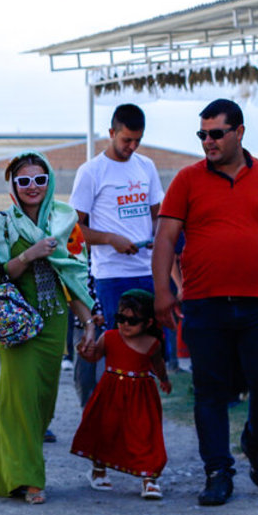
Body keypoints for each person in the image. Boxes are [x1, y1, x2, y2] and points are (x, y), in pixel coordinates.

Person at [152, 98, 258, 506]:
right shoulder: (188, 180)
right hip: (205, 303)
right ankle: (217, 472)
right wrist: (162, 291)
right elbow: (166, 238)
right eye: (202, 134)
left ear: (239, 132)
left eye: (215, 133)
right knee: (210, 391)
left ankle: (256, 442)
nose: (207, 142)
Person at [0, 152, 96, 505]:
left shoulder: (65, 221)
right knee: (21, 397)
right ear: (12, 186)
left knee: (41, 400)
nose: (33, 187)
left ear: (50, 183)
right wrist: (31, 254)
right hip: (17, 321)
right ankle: (29, 479)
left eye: (40, 180)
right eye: (24, 181)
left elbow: (75, 278)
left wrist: (88, 323)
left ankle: (2, 474)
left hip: (54, 319)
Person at [69, 103, 164, 405]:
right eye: (126, 140)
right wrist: (110, 238)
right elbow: (73, 231)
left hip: (146, 273)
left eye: (138, 140)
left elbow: (159, 216)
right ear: (111, 133)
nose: (132, 147)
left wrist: (158, 242)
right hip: (110, 276)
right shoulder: (91, 171)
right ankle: (104, 409)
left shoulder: (146, 166)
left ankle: (139, 409)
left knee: (147, 347)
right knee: (114, 348)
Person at [71, 289, 171, 499]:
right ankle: (99, 470)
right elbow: (95, 356)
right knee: (104, 430)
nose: (125, 324)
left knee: (145, 434)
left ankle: (149, 479)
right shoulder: (109, 337)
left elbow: (158, 365)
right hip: (110, 393)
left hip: (141, 397)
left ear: (148, 323)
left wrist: (163, 379)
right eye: (120, 318)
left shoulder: (152, 345)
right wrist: (85, 351)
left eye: (132, 320)